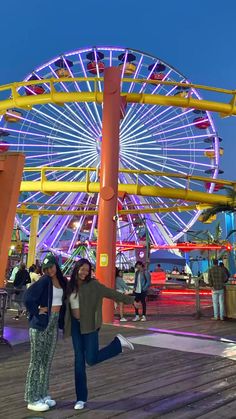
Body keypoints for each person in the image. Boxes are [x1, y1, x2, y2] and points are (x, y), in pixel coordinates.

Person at [64, 258, 136, 410]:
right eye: (81, 269)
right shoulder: (69, 286)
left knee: (91, 359)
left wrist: (130, 300)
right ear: (76, 268)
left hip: (89, 325)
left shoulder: (94, 285)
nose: (84, 272)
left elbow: (111, 293)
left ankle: (117, 344)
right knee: (78, 361)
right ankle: (81, 398)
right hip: (76, 327)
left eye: (87, 270)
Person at [24, 254, 67, 412]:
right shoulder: (44, 280)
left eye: (51, 266)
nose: (49, 270)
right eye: (46, 268)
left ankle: (42, 394)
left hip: (53, 325)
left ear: (56, 265)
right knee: (36, 362)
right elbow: (28, 297)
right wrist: (37, 310)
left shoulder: (62, 282)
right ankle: (32, 398)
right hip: (40, 325)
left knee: (47, 362)